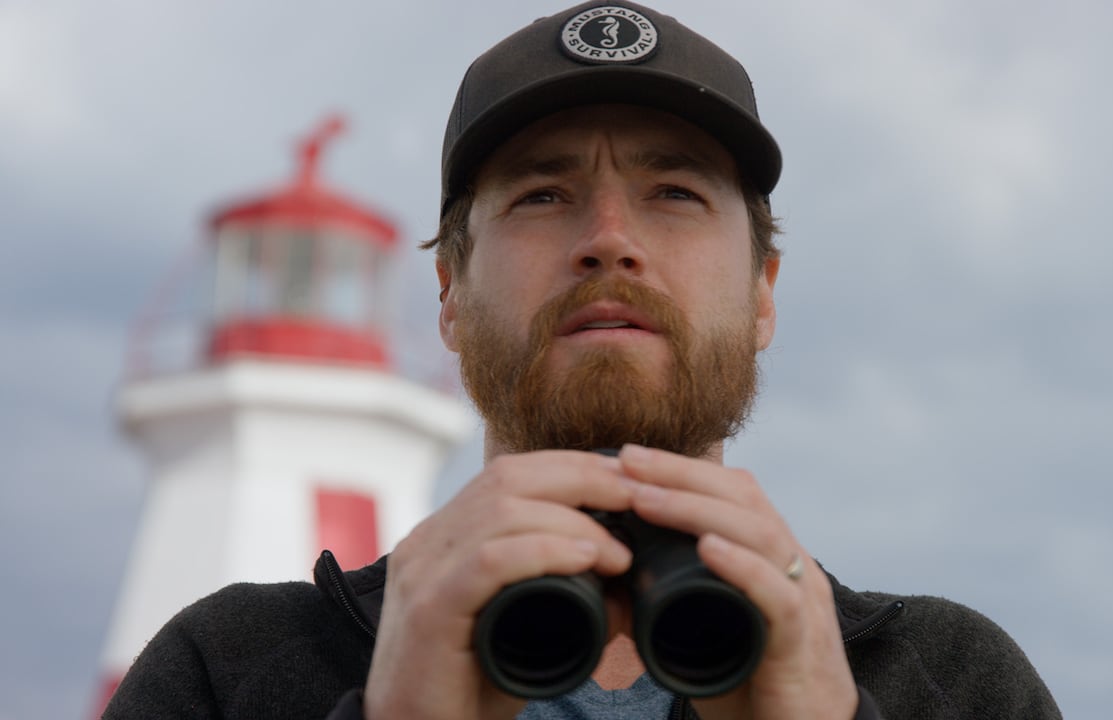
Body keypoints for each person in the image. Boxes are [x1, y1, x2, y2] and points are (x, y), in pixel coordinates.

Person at [104, 2, 1061, 718]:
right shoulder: (228, 670)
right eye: (542, 196)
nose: (609, 240)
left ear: (764, 291)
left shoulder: (952, 680)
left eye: (675, 193)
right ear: (447, 294)